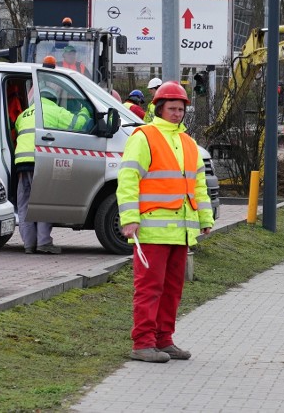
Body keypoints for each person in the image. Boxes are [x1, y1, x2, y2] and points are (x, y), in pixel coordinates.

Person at [118, 81, 214, 363]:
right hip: (150, 230)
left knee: (172, 290)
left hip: (181, 232)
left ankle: (164, 340)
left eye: (181, 109)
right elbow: (128, 180)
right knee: (149, 289)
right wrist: (129, 219)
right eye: (172, 108)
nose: (177, 114)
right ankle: (143, 343)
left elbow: (198, 186)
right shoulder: (144, 136)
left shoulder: (188, 143)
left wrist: (205, 218)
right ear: (159, 108)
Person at [14, 88, 89, 254]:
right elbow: (78, 123)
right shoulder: (55, 111)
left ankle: (28, 245)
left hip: (21, 163)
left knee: (24, 204)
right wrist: (85, 110)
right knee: (42, 203)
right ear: (53, 99)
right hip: (40, 163)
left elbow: (17, 128)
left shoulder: (25, 114)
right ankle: (43, 243)